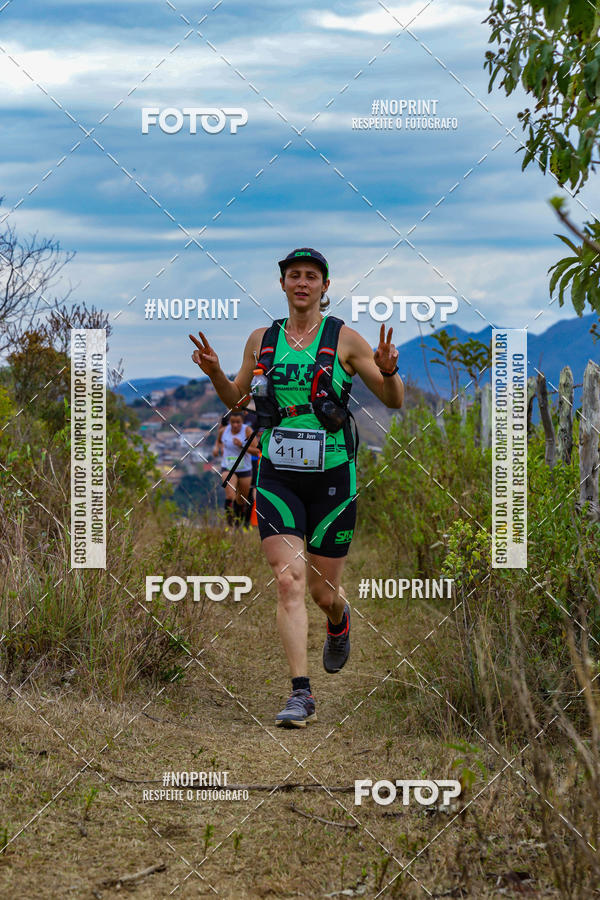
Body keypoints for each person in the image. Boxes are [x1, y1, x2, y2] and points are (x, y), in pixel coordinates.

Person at [190, 248, 404, 727]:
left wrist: (388, 370)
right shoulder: (262, 340)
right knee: (288, 580)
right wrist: (216, 374)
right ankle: (301, 694)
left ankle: (338, 619)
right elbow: (236, 398)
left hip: (332, 480)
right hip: (278, 476)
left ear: (324, 287)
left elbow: (393, 401)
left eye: (311, 276)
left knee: (323, 593)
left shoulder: (345, 339)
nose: (302, 283)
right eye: (294, 276)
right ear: (283, 284)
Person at [213, 410, 259, 527]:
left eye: (238, 422)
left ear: (242, 422)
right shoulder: (224, 431)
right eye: (232, 422)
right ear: (229, 422)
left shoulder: (247, 431)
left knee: (241, 500)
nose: (235, 425)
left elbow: (256, 451)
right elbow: (218, 441)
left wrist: (242, 445)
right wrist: (216, 448)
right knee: (230, 496)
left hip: (245, 469)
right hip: (228, 468)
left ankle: (240, 524)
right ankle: (229, 524)